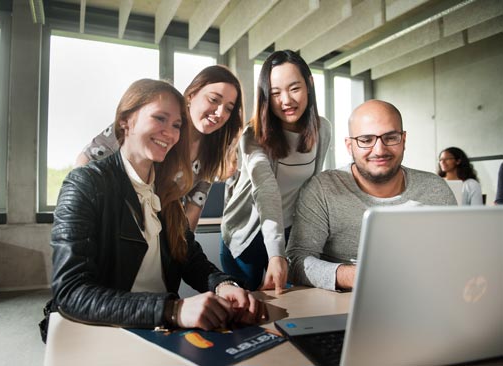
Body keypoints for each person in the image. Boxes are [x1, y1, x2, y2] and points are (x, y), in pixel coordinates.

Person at [47, 79, 267, 335]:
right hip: (109, 331)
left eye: (176, 125)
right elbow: (70, 292)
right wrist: (172, 310)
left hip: (162, 329)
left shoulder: (167, 191)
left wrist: (223, 285)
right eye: (160, 118)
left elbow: (190, 258)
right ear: (125, 121)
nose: (171, 133)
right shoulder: (84, 184)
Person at [287, 99, 457, 291]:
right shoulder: (323, 189)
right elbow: (296, 261)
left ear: (404, 140)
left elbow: (457, 257)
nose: (379, 150)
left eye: (391, 137)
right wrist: (358, 276)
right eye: (366, 140)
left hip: (425, 297)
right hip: (346, 303)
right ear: (350, 146)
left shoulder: (435, 189)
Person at [75, 65, 244, 231]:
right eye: (214, 100)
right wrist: (79, 217)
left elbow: (195, 205)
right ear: (192, 94)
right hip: (116, 227)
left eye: (229, 108)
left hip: (158, 234)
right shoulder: (153, 124)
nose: (220, 113)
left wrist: (184, 252)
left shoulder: (211, 152)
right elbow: (88, 158)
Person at [221, 50, 332, 294]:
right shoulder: (253, 135)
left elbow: (313, 186)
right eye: (275, 93)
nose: (286, 100)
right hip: (246, 235)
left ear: (309, 85)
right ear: (266, 97)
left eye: (294, 88)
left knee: (293, 304)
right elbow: (266, 190)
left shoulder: (322, 129)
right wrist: (275, 254)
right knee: (245, 312)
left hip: (289, 232)